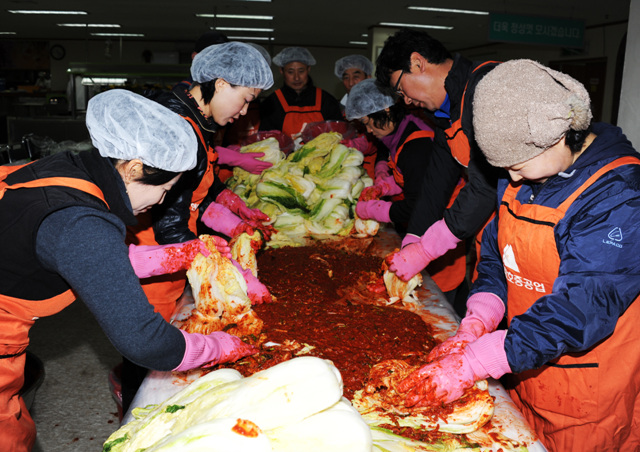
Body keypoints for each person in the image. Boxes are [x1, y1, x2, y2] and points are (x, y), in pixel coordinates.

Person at [396, 60, 640, 451]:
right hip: (523, 370)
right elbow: (496, 255)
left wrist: (479, 362)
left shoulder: (619, 196)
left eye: (519, 166)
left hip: (587, 396)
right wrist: (478, 319)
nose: (512, 180)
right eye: (504, 169)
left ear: (561, 136)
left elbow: (582, 307)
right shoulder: (527, 176)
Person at [0, 89, 256, 451]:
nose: (161, 202)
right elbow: (146, 342)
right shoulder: (82, 223)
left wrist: (172, 257)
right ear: (134, 168)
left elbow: (83, 259)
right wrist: (218, 346)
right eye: (164, 189)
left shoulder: (69, 169)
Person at [124, 41, 275, 411]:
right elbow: (169, 220)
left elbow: (196, 185)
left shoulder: (199, 118)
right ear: (221, 84)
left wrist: (229, 202)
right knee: (146, 337)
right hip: (154, 249)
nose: (244, 111)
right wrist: (223, 271)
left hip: (173, 243)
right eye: (245, 98)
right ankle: (134, 401)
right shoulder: (177, 124)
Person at [376, 29, 502, 315]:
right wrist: (412, 239)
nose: (405, 101)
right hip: (492, 234)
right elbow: (436, 183)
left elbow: (487, 184)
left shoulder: (485, 90)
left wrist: (428, 248)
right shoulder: (445, 114)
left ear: (418, 62)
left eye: (400, 88)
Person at [347, 78, 467, 305]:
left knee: (437, 298)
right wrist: (386, 185)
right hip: (427, 225)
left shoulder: (416, 145)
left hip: (442, 227)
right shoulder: (402, 132)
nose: (369, 131)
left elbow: (416, 206)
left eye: (369, 122)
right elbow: (412, 178)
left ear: (386, 110)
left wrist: (375, 210)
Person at [259, 46, 343, 139]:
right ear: (281, 71)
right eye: (290, 72)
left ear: (308, 69)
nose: (297, 78)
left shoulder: (327, 100)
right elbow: (266, 138)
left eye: (301, 71)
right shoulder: (271, 103)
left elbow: (338, 134)